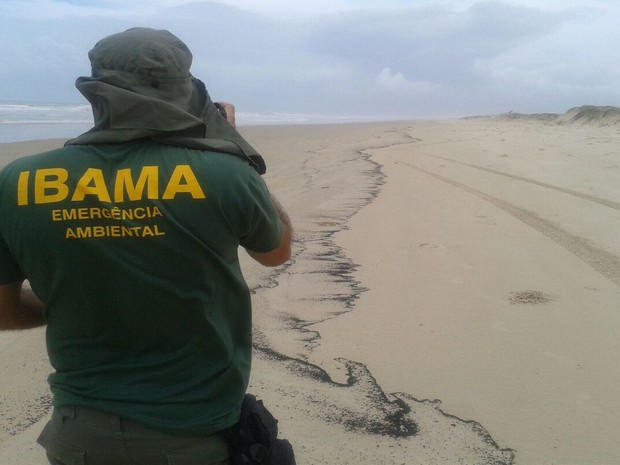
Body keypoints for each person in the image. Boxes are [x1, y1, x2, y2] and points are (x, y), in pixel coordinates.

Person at [0, 27, 292, 465]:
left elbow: (3, 312)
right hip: (193, 433)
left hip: (78, 435)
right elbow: (277, 251)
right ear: (186, 94)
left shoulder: (17, 180)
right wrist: (233, 146)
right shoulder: (226, 174)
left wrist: (69, 303)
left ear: (96, 93)